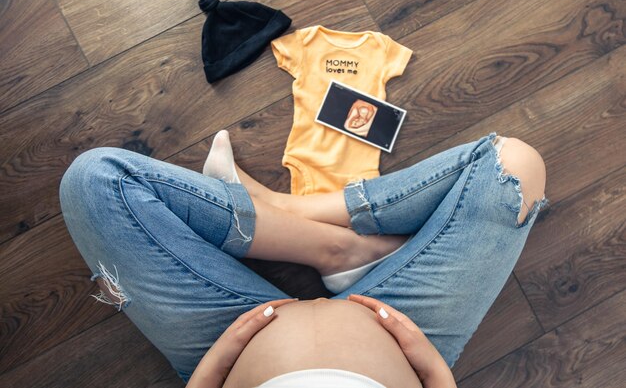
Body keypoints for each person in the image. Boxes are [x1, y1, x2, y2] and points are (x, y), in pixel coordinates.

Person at [59, 131, 548, 387]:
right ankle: (333, 244)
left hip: (224, 345)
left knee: (94, 180)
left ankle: (310, 229)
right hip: (408, 333)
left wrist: (210, 375)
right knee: (514, 166)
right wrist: (438, 379)